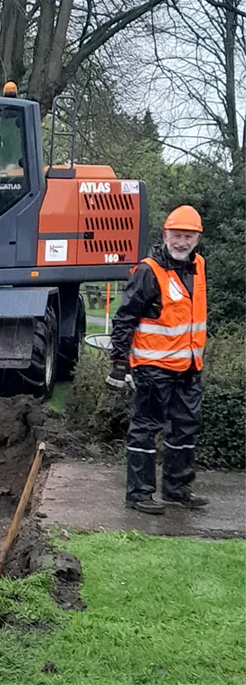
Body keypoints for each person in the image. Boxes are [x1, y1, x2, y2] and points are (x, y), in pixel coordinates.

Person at [107, 205, 207, 514]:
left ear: (197, 239)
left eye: (188, 237)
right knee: (144, 429)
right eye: (176, 236)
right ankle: (139, 494)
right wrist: (119, 365)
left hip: (189, 368)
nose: (181, 242)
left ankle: (177, 489)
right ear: (165, 235)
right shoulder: (149, 271)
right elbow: (125, 319)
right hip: (153, 369)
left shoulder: (198, 265)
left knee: (185, 428)